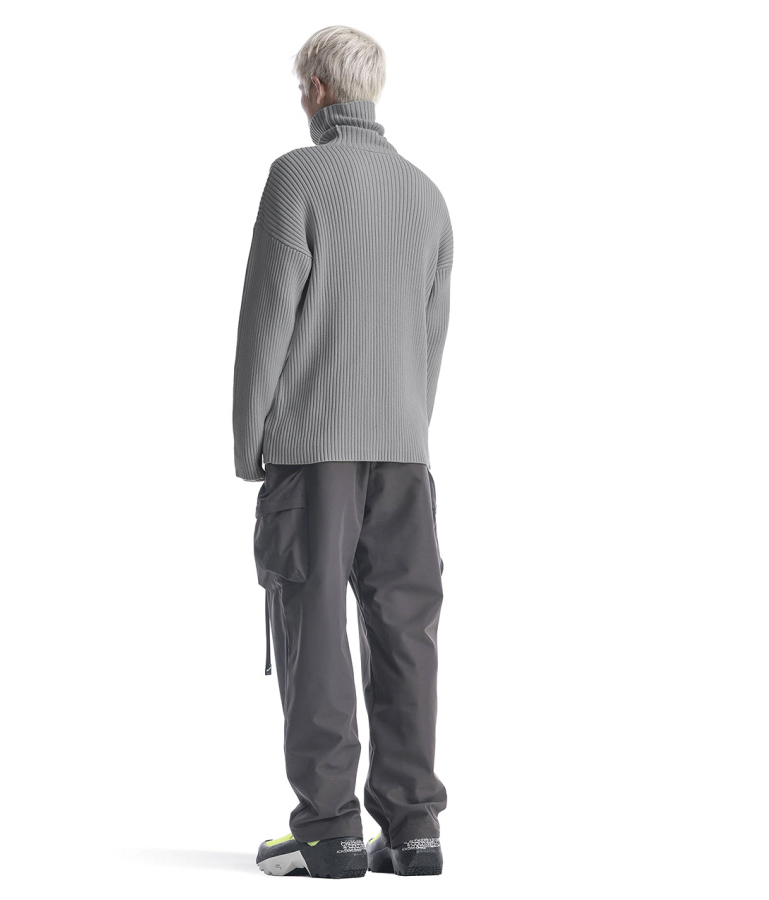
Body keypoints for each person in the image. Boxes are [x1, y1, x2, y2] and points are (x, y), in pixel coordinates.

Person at [232, 25, 453, 879]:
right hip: (405, 452)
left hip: (313, 450)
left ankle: (327, 830)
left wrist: (250, 442)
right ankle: (414, 826)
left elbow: (266, 323)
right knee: (405, 631)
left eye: (302, 87)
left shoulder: (297, 176)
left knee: (314, 624)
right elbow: (429, 341)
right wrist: (405, 429)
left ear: (319, 90)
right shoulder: (426, 196)